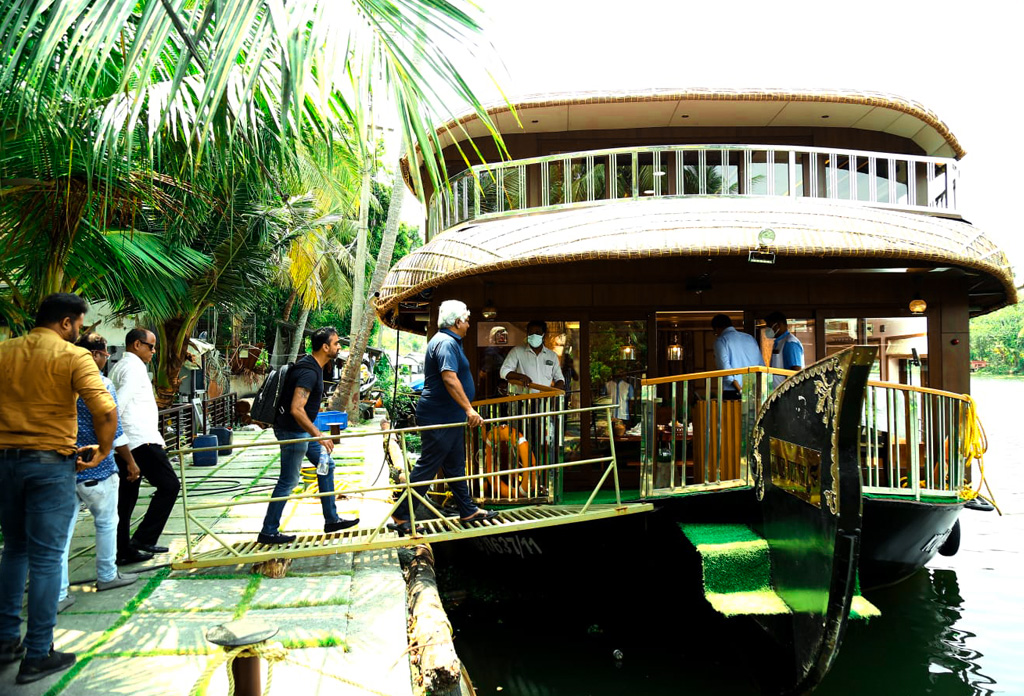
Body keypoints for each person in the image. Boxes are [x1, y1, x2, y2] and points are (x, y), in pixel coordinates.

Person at [0, 293, 116, 684]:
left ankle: (4, 641)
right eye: (80, 326)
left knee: (14, 549)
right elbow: (104, 408)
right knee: (48, 559)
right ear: (66, 323)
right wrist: (102, 450)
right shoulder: (72, 356)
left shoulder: (4, 351)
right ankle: (37, 653)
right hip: (50, 464)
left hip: (5, 463)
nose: (80, 333)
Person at [393, 300, 498, 532]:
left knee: (455, 465)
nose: (469, 324)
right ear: (458, 321)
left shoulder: (449, 342)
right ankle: (401, 515)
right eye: (467, 320)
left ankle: (467, 509)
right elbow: (449, 378)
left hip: (448, 415)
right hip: (439, 415)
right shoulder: (446, 343)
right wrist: (469, 409)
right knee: (429, 464)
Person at [57, 334, 140, 614]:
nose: (106, 361)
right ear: (94, 355)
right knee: (106, 522)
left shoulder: (57, 386)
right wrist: (129, 461)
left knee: (62, 534)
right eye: (105, 356)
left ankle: (57, 594)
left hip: (62, 468)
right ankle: (107, 575)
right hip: (98, 469)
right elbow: (113, 430)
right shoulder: (101, 385)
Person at [258, 326, 359, 544]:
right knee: (289, 480)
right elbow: (296, 408)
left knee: (327, 465)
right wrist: (319, 435)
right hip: (292, 431)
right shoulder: (309, 371)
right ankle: (268, 531)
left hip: (302, 430)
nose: (339, 347)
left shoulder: (313, 366)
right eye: (335, 343)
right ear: (325, 347)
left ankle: (331, 520)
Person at [109, 328, 180, 565]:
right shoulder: (133, 367)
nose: (154, 351)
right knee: (169, 485)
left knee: (126, 499)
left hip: (129, 440)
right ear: (136, 345)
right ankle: (142, 539)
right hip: (140, 440)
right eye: (151, 346)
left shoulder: (121, 366)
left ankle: (123, 550)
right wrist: (112, 436)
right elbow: (118, 403)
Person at [499, 320, 566, 392]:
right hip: (523, 399)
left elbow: (560, 379)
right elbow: (503, 372)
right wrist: (521, 377)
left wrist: (552, 393)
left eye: (537, 333)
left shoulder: (552, 356)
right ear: (527, 334)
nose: (534, 336)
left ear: (543, 335)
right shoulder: (517, 351)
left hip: (545, 399)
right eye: (531, 333)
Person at [711, 314, 765, 399]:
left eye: (715, 333)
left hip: (733, 391)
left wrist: (740, 390)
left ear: (717, 329)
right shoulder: (750, 338)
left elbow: (725, 369)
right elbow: (761, 365)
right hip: (753, 390)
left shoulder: (721, 341)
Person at [764, 311, 805, 389]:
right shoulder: (779, 342)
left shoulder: (790, 343)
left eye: (769, 326)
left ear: (778, 325)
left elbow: (795, 371)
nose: (767, 329)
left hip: (785, 393)